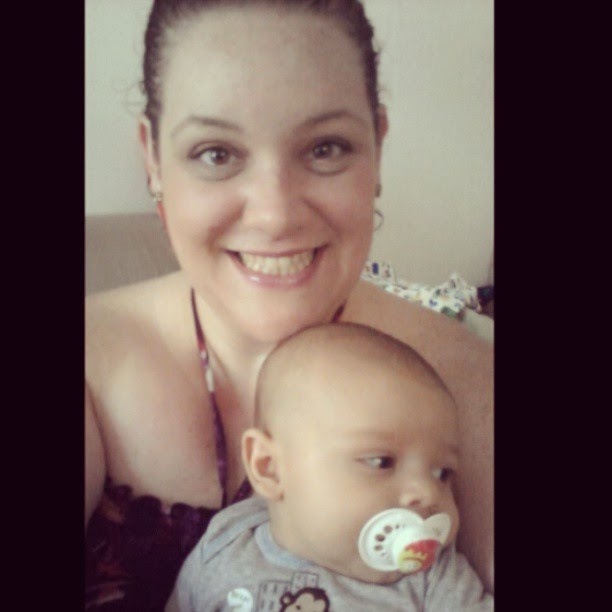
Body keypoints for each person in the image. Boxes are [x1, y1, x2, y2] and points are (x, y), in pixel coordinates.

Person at [85, 0, 493, 609]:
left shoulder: (471, 384)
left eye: (325, 148)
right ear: (152, 159)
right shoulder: (89, 361)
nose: (275, 215)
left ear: (377, 147)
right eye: (217, 153)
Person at [167, 322, 493, 611]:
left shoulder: (435, 578)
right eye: (380, 462)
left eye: (442, 473)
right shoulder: (227, 543)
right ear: (270, 468)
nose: (428, 492)